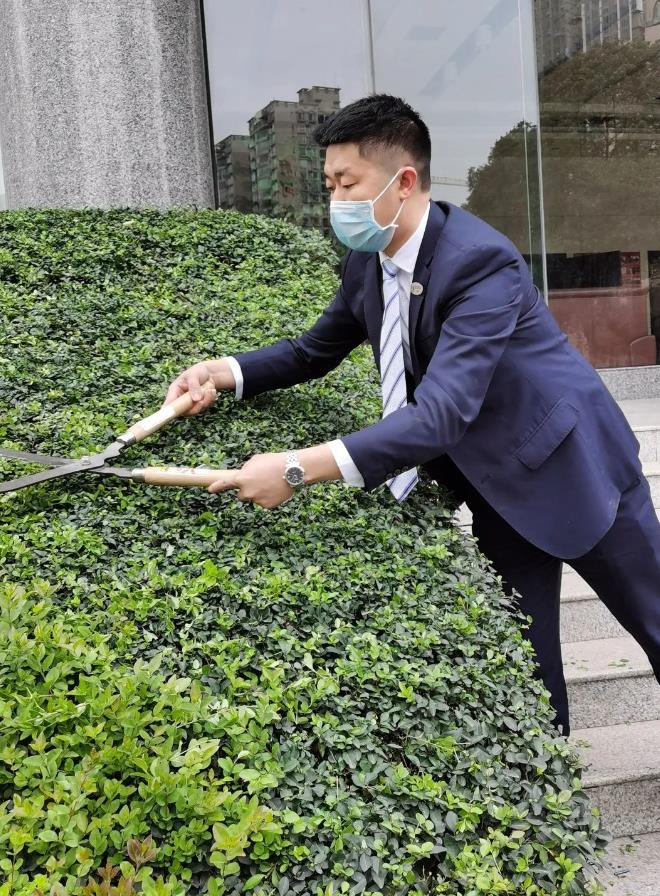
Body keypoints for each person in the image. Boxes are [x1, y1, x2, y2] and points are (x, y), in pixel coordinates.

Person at [162, 94, 660, 737]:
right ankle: (553, 772)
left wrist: (295, 469)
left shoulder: (480, 263)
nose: (335, 200)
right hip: (493, 487)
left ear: (403, 181)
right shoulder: (365, 260)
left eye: (348, 184)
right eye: (329, 184)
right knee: (530, 673)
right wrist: (223, 372)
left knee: (654, 620)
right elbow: (314, 350)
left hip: (573, 467)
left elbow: (441, 413)